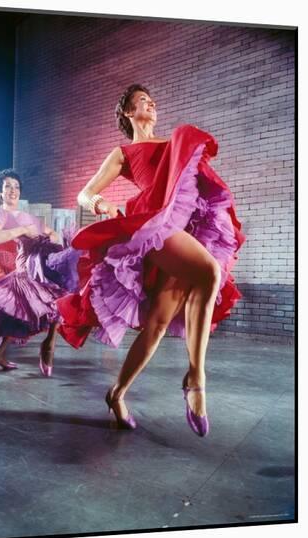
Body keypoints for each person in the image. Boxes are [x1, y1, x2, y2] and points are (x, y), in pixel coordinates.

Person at [57, 84, 245, 436]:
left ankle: (116, 393)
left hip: (185, 224)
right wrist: (103, 205)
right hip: (153, 226)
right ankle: (196, 377)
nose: (151, 104)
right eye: (143, 101)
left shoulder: (174, 144)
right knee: (208, 272)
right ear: (129, 113)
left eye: (153, 100)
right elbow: (86, 193)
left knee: (157, 325)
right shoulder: (124, 153)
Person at [0, 169, 71, 376]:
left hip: (40, 269)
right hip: (25, 272)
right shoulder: (0, 213)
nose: (13, 190)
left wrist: (53, 241)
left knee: (44, 304)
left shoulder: (26, 216)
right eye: (7, 186)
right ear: (0, 192)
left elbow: (52, 234)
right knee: (40, 306)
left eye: (16, 187)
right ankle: (48, 346)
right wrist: (22, 231)